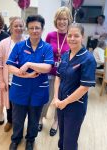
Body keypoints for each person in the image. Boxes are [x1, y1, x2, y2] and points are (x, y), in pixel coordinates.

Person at [6, 15, 54, 150]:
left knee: (34, 119)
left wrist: (28, 64)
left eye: (37, 28)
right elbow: (10, 66)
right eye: (31, 28)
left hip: (38, 91)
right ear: (27, 29)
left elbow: (47, 68)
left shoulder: (47, 48)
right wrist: (25, 75)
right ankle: (15, 139)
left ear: (42, 29)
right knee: (17, 119)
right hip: (20, 89)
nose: (34, 30)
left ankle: (30, 140)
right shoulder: (19, 46)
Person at [52, 23, 96, 150]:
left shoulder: (88, 59)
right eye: (69, 35)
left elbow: (84, 87)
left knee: (70, 140)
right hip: (60, 103)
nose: (72, 38)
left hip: (75, 106)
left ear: (82, 37)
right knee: (62, 135)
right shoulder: (65, 55)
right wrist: (56, 98)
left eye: (76, 36)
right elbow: (58, 77)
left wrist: (65, 102)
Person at [38, 6, 73, 136]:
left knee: (60, 99)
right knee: (45, 98)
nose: (62, 21)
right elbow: (44, 54)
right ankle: (40, 119)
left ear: (69, 20)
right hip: (49, 74)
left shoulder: (72, 36)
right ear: (55, 20)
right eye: (59, 19)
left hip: (65, 76)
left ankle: (56, 121)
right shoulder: (50, 35)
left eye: (64, 19)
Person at [0, 17, 25, 132]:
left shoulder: (27, 42)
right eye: (15, 26)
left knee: (21, 105)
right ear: (11, 28)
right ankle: (10, 121)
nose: (18, 28)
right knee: (10, 103)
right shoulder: (3, 44)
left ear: (24, 27)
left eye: (20, 26)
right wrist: (2, 81)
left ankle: (20, 123)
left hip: (23, 81)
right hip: (9, 80)